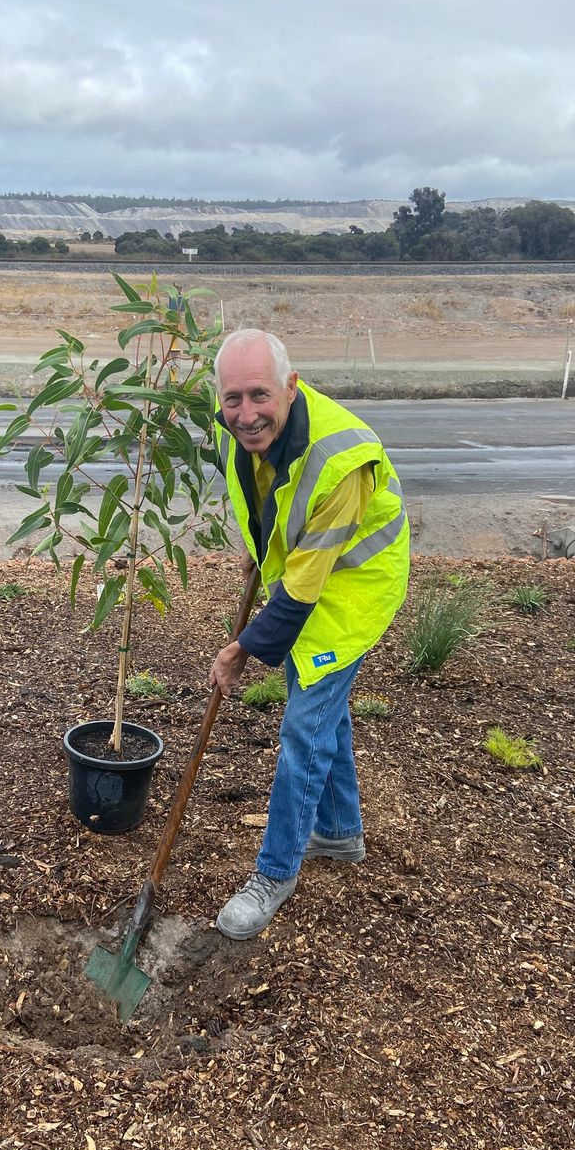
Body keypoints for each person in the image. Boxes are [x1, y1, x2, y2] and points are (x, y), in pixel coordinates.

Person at [209, 329, 410, 939]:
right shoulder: (234, 426)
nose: (246, 415)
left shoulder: (340, 459)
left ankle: (275, 872)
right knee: (324, 714)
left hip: (351, 590)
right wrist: (254, 546)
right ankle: (341, 834)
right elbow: (259, 494)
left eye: (260, 396)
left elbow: (301, 592)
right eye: (233, 399)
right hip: (305, 574)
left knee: (305, 725)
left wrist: (241, 650)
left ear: (291, 388)